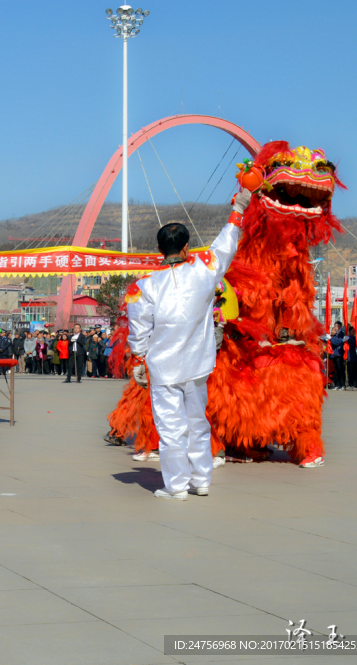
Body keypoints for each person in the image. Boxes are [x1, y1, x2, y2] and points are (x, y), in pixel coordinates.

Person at [126, 186, 249, 500]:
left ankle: (177, 486)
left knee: (170, 427)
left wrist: (138, 360)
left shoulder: (144, 287)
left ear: (159, 248)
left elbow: (139, 331)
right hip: (197, 364)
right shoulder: (205, 271)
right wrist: (239, 207)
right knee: (197, 422)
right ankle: (201, 481)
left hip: (164, 369)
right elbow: (227, 243)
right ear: (186, 247)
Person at [329, 321, 346, 390]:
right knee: (336, 370)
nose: (337, 328)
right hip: (334, 354)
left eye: (338, 326)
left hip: (339, 354)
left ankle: (342, 384)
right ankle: (338, 384)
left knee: (340, 369)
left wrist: (331, 339)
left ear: (341, 327)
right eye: (336, 326)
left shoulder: (341, 334)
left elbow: (337, 342)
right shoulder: (335, 335)